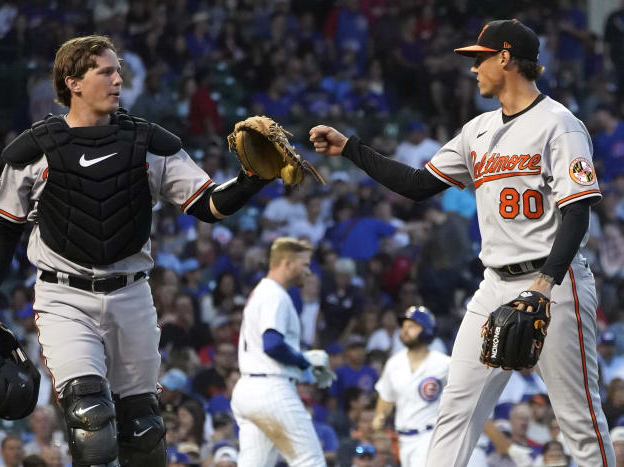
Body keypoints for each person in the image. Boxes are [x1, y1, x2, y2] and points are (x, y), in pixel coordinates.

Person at [309, 19, 614, 466]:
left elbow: (577, 211)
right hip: (494, 284)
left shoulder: (560, 125)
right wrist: (349, 148)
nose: (473, 69)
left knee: (578, 420)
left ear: (505, 58)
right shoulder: (477, 130)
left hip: (555, 282)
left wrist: (544, 285)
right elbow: (417, 184)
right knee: (457, 406)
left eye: (479, 59)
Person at [0, 35, 272, 467]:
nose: (117, 80)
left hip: (131, 294)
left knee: (143, 429)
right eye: (105, 71)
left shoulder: (147, 142)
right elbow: (2, 227)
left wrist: (252, 178)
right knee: (90, 417)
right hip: (64, 296)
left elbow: (207, 205)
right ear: (72, 81)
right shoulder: (36, 149)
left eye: (118, 71)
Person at [231, 237, 327, 466]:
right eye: (304, 264)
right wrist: (303, 361)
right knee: (310, 461)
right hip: (271, 390)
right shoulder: (274, 294)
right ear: (287, 264)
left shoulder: (262, 292)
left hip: (249, 388)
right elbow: (272, 344)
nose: (308, 271)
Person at [372, 306, 449, 467]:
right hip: (403, 439)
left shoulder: (443, 364)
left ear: (427, 330)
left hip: (430, 435)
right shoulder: (394, 363)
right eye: (404, 326)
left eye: (412, 326)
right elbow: (386, 397)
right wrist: (380, 415)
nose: (405, 330)